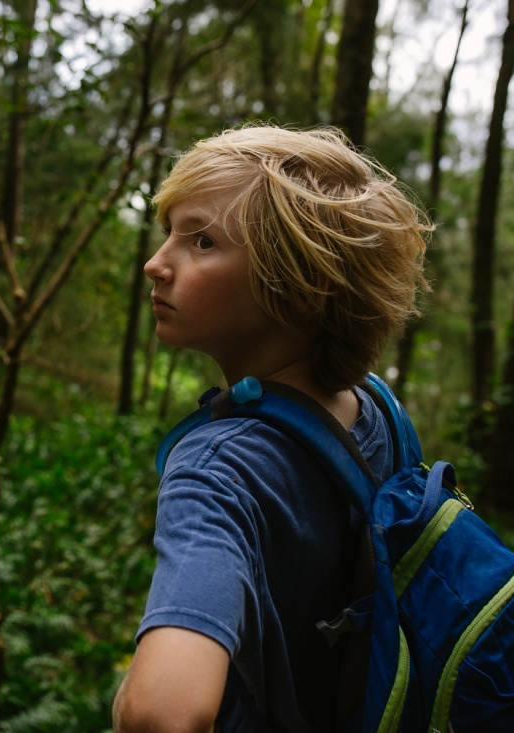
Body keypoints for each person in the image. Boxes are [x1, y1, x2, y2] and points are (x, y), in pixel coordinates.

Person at [112, 124, 432, 733]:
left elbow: (166, 713)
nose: (157, 264)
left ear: (300, 283)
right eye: (168, 235)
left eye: (202, 241)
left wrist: (126, 702)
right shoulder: (375, 408)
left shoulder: (216, 471)